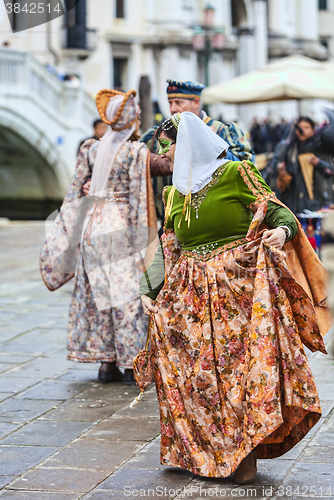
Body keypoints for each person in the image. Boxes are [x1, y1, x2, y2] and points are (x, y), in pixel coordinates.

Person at [139, 112, 329, 483]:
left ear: (189, 143)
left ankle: (244, 457)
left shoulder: (235, 173)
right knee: (197, 377)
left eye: (170, 146)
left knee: (240, 373)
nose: (166, 154)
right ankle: (201, 453)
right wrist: (149, 291)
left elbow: (277, 212)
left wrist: (282, 232)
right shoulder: (174, 193)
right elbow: (167, 246)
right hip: (190, 297)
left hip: (240, 293)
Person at [40, 89, 158, 383]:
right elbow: (138, 200)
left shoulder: (90, 149)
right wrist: (144, 244)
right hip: (119, 227)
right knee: (126, 294)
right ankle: (131, 363)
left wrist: (69, 233)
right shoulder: (135, 153)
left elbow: (72, 195)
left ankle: (106, 363)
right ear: (132, 120)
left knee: (97, 295)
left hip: (93, 225)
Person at [140, 79, 255, 222]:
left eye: (178, 102)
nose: (172, 109)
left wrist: (212, 145)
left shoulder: (222, 131)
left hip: (214, 219)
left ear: (195, 102)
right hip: (169, 220)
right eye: (170, 103)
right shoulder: (158, 134)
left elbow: (246, 170)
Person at [273, 116, 334, 214]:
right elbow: (276, 163)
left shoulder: (320, 148)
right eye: (300, 127)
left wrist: (318, 163)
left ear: (313, 130)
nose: (303, 130)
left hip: (315, 201)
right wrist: (279, 168)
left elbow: (330, 171)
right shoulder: (287, 148)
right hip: (292, 200)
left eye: (307, 127)